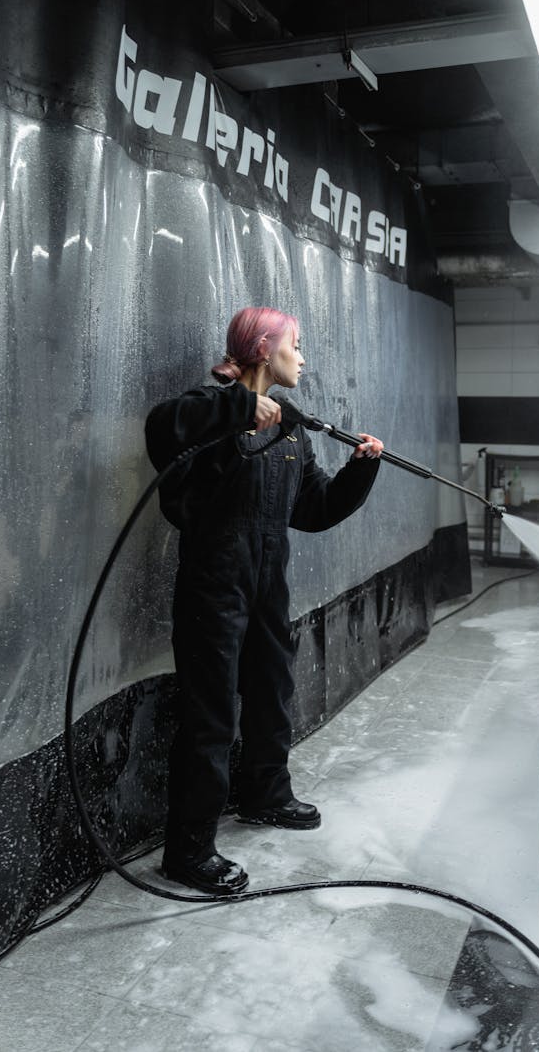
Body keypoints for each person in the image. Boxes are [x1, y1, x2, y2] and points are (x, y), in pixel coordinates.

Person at [145, 306, 384, 895]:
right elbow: (162, 429)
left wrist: (359, 472)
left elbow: (315, 509)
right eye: (295, 346)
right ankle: (189, 852)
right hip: (214, 587)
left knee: (272, 689)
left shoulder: (291, 432)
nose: (302, 358)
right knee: (211, 717)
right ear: (262, 348)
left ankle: (264, 794)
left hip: (267, 586)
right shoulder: (208, 408)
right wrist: (237, 408)